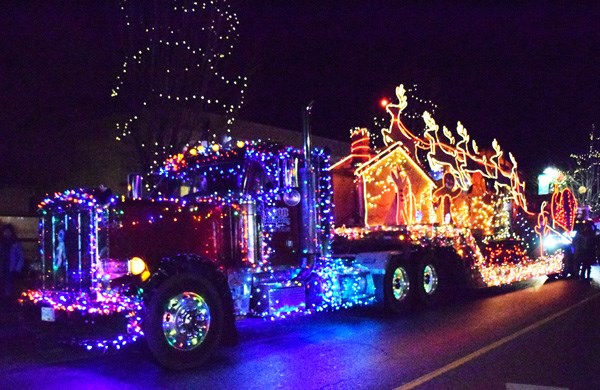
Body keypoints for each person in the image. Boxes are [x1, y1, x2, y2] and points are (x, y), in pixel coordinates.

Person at [0, 224, 25, 302]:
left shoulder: (15, 243)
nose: (7, 233)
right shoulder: (1, 242)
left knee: (9, 287)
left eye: (8, 231)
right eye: (5, 231)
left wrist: (17, 269)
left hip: (11, 268)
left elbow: (20, 256)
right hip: (2, 267)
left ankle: (8, 302)